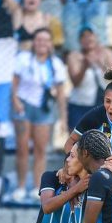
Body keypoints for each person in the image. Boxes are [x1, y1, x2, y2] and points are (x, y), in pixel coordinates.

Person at [11, 28, 68, 202]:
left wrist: (63, 117)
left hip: (44, 107)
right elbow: (14, 83)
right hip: (24, 104)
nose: (42, 43)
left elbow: (60, 93)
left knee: (40, 150)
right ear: (33, 42)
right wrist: (16, 102)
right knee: (22, 148)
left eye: (45, 40)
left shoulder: (56, 64)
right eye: (38, 40)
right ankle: (21, 186)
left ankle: (37, 186)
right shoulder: (23, 59)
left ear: (51, 44)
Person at [65, 26, 112, 130]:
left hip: (100, 105)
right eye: (84, 37)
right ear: (80, 41)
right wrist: (84, 66)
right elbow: (75, 82)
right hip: (79, 105)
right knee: (76, 142)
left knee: (100, 141)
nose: (87, 39)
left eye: (90, 35)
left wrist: (99, 63)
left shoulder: (106, 53)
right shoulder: (74, 56)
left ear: (96, 37)